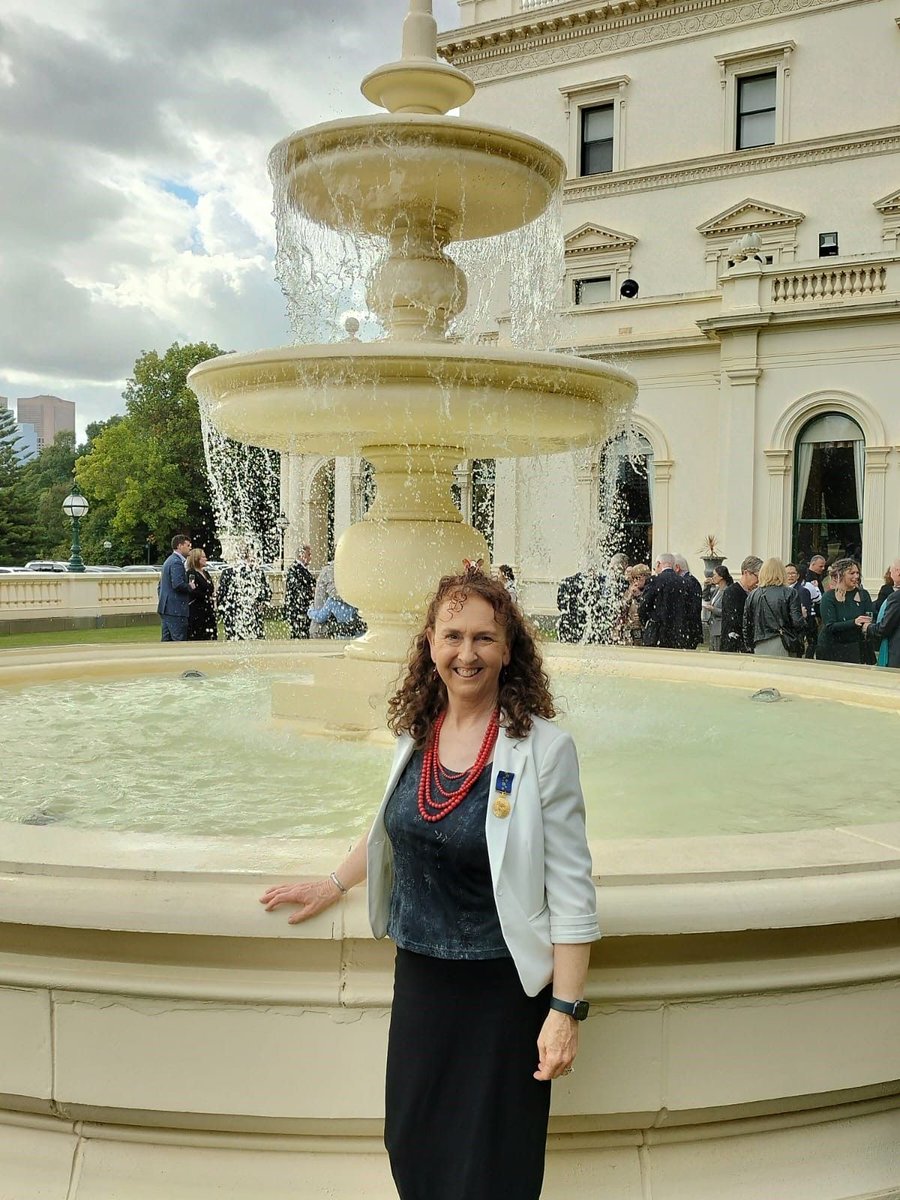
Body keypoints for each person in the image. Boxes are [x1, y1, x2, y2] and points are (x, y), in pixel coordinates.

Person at [260, 564, 599, 1200]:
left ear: (508, 650)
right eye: (452, 636)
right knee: (412, 1146)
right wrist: (332, 883)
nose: (466, 654)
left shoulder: (544, 750)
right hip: (423, 978)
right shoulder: (417, 733)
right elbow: (392, 827)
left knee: (491, 1169)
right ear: (430, 643)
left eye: (483, 638)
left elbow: (575, 894)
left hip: (504, 992)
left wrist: (564, 1011)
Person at [743, 557, 805, 657]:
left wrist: (749, 646)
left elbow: (747, 625)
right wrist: (803, 617)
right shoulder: (790, 593)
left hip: (758, 643)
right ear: (782, 573)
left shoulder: (753, 595)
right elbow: (797, 622)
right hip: (781, 642)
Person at [816, 558, 874, 664]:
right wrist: (854, 622)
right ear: (840, 575)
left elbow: (870, 616)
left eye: (857, 573)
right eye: (851, 573)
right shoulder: (829, 597)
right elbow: (830, 626)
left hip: (857, 647)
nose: (856, 576)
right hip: (832, 649)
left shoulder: (863, 594)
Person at [216, 549, 272, 640]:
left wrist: (263, 602)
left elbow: (267, 591)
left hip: (247, 614)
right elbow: (222, 594)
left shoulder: (257, 573)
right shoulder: (229, 573)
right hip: (237, 615)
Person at [637, 553, 686, 648]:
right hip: (677, 632)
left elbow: (644, 605)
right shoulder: (682, 581)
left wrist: (646, 621)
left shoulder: (655, 581)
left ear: (659, 564)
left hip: (657, 631)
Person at [308, 560, 365, 638]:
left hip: (341, 632)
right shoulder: (354, 599)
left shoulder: (332, 601)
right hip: (356, 632)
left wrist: (310, 611)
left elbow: (320, 617)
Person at [720, 556, 762, 653]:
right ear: (746, 573)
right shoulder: (732, 592)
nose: (758, 581)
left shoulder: (755, 593)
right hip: (734, 646)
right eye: (757, 577)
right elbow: (734, 620)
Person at [864, 558, 900, 668]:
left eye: (892, 570)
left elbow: (884, 628)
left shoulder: (896, 597)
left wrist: (868, 627)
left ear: (898, 572)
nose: (890, 573)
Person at [157, 533, 192, 642]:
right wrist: (190, 587)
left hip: (167, 608)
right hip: (176, 609)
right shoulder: (176, 562)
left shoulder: (169, 560)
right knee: (179, 641)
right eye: (187, 545)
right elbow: (178, 584)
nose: (190, 547)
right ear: (179, 546)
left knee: (167, 641)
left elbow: (160, 586)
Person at [283, 545, 316, 639]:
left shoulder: (301, 569)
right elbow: (297, 589)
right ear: (302, 555)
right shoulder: (294, 569)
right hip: (297, 609)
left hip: (302, 608)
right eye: (309, 554)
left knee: (303, 635)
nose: (311, 557)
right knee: (298, 636)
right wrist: (311, 591)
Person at [185, 548, 217, 641]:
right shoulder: (191, 573)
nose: (206, 559)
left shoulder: (205, 573)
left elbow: (210, 588)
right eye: (203, 557)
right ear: (196, 559)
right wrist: (207, 596)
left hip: (208, 609)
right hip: (197, 610)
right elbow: (193, 591)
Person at [785, 562, 816, 658]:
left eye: (793, 573)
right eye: (788, 573)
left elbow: (804, 614)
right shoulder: (782, 590)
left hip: (797, 634)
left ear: (798, 575)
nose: (790, 576)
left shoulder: (803, 591)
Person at [673, 555, 703, 649]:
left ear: (677, 567)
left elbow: (692, 608)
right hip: (689, 630)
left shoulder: (688, 582)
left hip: (687, 630)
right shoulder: (691, 581)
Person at [702, 564, 733, 652]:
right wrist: (706, 586)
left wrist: (713, 609)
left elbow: (726, 611)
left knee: (718, 651)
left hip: (720, 628)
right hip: (713, 626)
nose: (713, 577)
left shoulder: (727, 591)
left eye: (715, 575)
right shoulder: (716, 590)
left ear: (721, 577)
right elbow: (705, 597)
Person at [618, 563, 651, 645]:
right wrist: (630, 595)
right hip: (630, 626)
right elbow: (622, 607)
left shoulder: (649, 590)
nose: (635, 581)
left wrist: (639, 595)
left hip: (643, 628)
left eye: (638, 578)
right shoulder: (629, 590)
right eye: (634, 579)